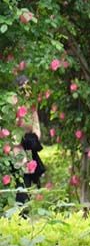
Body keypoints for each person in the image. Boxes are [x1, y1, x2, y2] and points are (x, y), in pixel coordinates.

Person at [13, 75, 46, 207]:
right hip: (16, 148)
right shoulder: (12, 104)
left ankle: (24, 213)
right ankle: (18, 213)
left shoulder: (31, 106)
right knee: (19, 179)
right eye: (25, 88)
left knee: (27, 181)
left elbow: (36, 123)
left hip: (28, 147)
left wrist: (35, 137)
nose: (28, 91)